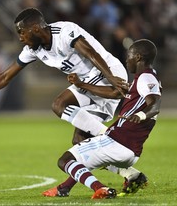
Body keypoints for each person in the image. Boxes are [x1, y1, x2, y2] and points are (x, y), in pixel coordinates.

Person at [0, 8, 142, 187]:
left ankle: (110, 137)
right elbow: (4, 77)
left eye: (22, 32)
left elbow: (90, 53)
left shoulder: (65, 32)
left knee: (59, 104)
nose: (21, 38)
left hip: (107, 72)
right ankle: (130, 173)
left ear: (36, 29)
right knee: (79, 142)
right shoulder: (33, 49)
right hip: (88, 81)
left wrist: (113, 79)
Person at [43, 39, 161, 199]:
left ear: (138, 57)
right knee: (80, 152)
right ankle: (64, 188)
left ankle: (101, 188)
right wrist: (82, 85)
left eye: (129, 56)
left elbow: (154, 105)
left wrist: (140, 115)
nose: (127, 60)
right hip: (129, 149)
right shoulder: (143, 79)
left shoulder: (146, 78)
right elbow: (115, 93)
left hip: (118, 142)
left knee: (65, 161)